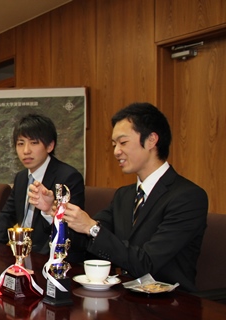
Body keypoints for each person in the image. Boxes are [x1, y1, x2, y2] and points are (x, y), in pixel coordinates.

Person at [60, 102, 208, 292]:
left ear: (152, 140)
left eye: (123, 143)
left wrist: (92, 228)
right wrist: (55, 211)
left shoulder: (188, 197)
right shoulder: (125, 194)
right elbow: (87, 241)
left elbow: (147, 263)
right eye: (114, 145)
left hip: (170, 306)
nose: (116, 151)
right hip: (124, 298)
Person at [0, 113, 86, 261]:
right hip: (22, 254)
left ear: (50, 146)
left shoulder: (68, 178)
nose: (26, 150)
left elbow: (70, 231)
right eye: (20, 143)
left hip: (52, 257)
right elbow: (7, 215)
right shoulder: (22, 177)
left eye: (34, 143)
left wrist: (49, 211)